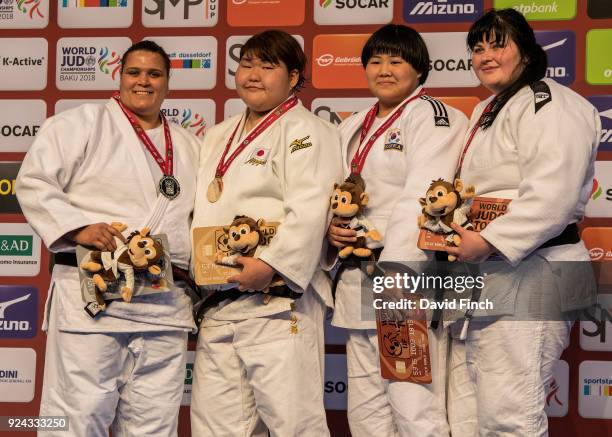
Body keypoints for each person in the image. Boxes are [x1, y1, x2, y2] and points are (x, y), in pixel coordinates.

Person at [15, 40, 199, 437]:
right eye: (134, 72)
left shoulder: (188, 143)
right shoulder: (80, 123)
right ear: (120, 77)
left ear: (168, 82)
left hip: (164, 303)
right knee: (77, 416)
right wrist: (78, 228)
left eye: (154, 74)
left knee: (154, 423)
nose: (143, 82)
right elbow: (33, 182)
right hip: (94, 299)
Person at [444, 9, 601, 436]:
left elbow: (554, 194)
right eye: (477, 48)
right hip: (493, 273)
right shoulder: (487, 110)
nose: (485, 56)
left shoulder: (552, 102)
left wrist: (489, 241)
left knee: (510, 416)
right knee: (474, 418)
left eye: (499, 44)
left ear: (527, 52)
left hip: (538, 269)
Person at [189, 30, 342, 437]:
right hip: (220, 301)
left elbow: (310, 209)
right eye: (247, 64)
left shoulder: (310, 130)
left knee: (295, 425)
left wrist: (272, 266)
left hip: (277, 300)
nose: (253, 74)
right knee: (215, 427)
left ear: (294, 77)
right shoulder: (217, 134)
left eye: (267, 65)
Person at [325, 24, 468, 437]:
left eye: (396, 60)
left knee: (413, 408)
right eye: (375, 61)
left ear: (420, 68)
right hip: (355, 282)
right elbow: (337, 196)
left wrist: (399, 276)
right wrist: (333, 234)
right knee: (367, 412)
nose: (384, 69)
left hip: (403, 280)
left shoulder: (435, 117)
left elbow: (420, 198)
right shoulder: (353, 125)